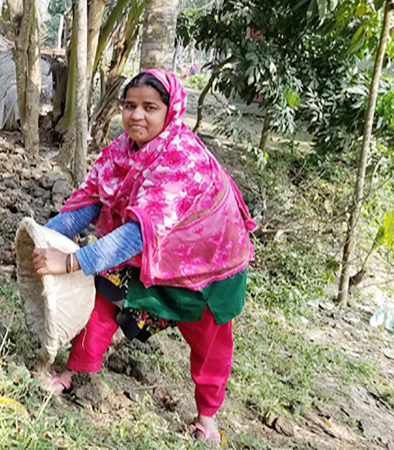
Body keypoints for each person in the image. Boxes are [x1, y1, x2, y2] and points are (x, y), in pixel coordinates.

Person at [32, 69, 256, 444]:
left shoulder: (182, 159)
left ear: (170, 112)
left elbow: (138, 234)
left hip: (206, 268)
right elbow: (90, 202)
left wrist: (70, 261)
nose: (137, 116)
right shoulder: (122, 151)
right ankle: (72, 372)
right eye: (129, 106)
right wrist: (41, 240)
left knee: (209, 343)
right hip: (149, 250)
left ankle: (207, 417)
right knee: (103, 300)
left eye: (150, 107)